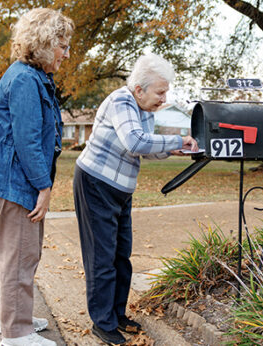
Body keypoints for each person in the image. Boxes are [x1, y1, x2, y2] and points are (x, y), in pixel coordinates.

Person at [73, 53, 198, 345]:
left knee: (121, 256)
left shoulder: (144, 109)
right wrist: (177, 139)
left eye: (165, 92)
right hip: (96, 183)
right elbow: (135, 141)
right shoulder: (121, 101)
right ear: (139, 89)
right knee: (102, 258)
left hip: (119, 189)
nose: (164, 98)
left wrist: (174, 151)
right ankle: (102, 323)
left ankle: (116, 315)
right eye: (160, 92)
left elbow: (143, 148)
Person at [0, 8, 73, 346]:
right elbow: (28, 141)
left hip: (17, 180)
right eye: (62, 45)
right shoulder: (24, 80)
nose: (65, 53)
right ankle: (15, 334)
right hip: (19, 184)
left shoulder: (30, 77)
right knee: (19, 256)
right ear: (45, 43)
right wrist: (44, 188)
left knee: (24, 254)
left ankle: (16, 317)